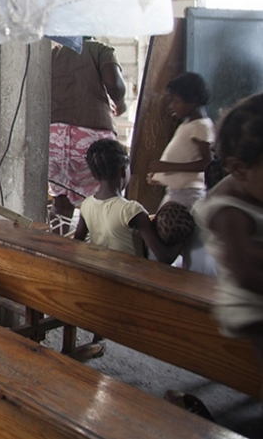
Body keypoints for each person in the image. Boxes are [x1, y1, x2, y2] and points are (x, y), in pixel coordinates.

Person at [192, 93, 263, 406]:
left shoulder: (254, 185)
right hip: (253, 309)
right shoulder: (228, 209)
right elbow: (247, 273)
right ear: (239, 168)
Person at [48, 38, 128, 224]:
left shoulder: (52, 55)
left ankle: (56, 247)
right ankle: (99, 247)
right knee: (104, 200)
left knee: (61, 203)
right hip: (91, 137)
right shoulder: (100, 50)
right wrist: (121, 103)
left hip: (53, 139)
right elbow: (114, 84)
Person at [148, 71, 216, 275]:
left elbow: (206, 164)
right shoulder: (189, 124)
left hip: (187, 197)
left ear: (193, 100)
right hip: (177, 194)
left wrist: (166, 168)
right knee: (166, 244)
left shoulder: (201, 126)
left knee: (180, 247)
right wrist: (162, 177)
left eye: (175, 101)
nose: (171, 107)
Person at [73, 139, 176, 262]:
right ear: (123, 170)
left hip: (99, 273)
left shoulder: (86, 205)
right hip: (131, 278)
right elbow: (165, 257)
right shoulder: (131, 211)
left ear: (94, 174)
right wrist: (183, 240)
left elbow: (77, 243)